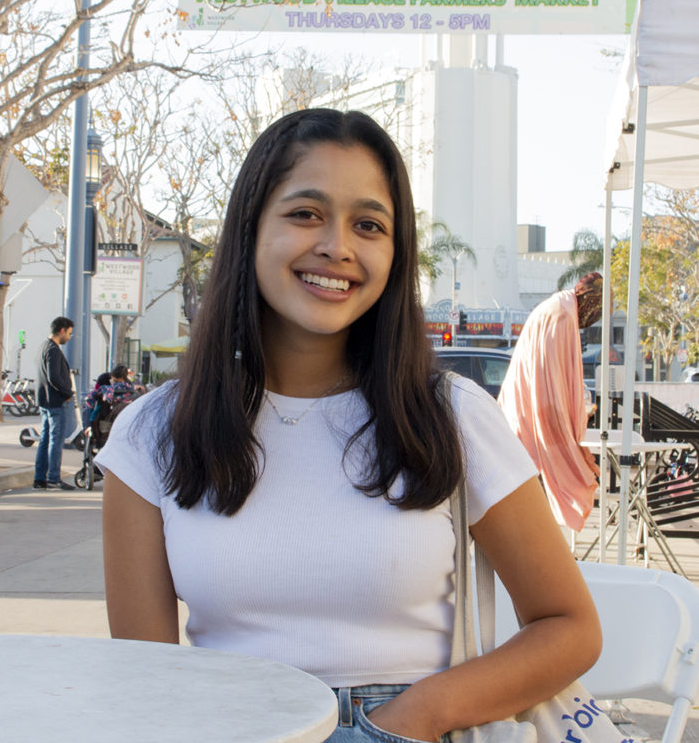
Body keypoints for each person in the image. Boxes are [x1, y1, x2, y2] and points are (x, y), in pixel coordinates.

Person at [98, 109, 601, 743]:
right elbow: (147, 677)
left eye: (368, 224)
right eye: (305, 214)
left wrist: (411, 718)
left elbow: (569, 625)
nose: (338, 246)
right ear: (249, 231)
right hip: (225, 726)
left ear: (395, 252)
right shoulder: (151, 433)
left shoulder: (452, 416)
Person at [498, 273, 604, 532]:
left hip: (522, 415)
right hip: (532, 420)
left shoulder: (560, 307)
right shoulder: (562, 314)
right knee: (537, 500)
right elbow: (550, 383)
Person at [33, 316, 77, 491]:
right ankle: (53, 477)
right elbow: (54, 377)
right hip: (55, 402)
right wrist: (68, 393)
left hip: (45, 401)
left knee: (45, 440)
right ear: (62, 330)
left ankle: (40, 478)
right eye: (69, 333)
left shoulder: (44, 347)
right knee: (55, 440)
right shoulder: (53, 350)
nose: (69, 336)